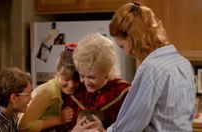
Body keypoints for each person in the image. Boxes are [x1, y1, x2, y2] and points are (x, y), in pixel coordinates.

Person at [82, 2, 196, 132]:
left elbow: (132, 124)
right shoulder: (183, 63)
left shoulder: (151, 68)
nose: (126, 53)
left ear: (133, 38)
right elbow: (190, 114)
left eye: (122, 46)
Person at [71, 32, 130, 131]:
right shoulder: (76, 91)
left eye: (92, 77)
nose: (86, 82)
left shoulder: (123, 93)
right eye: (82, 76)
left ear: (107, 72)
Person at [18, 43, 84, 132]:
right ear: (57, 73)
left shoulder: (68, 93)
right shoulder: (46, 92)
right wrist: (59, 120)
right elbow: (23, 127)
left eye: (76, 80)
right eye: (66, 80)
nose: (71, 85)